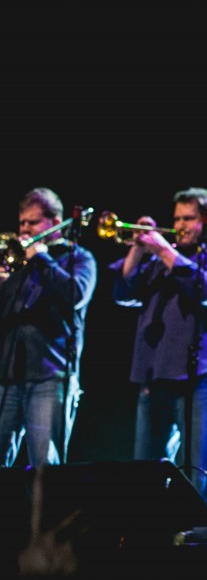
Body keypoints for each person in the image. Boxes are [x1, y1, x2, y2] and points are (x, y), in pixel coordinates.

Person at [110, 186, 207, 519]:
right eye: (176, 217)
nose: (179, 225)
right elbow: (123, 293)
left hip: (202, 377)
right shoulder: (158, 261)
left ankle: (202, 542)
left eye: (188, 218)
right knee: (144, 472)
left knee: (201, 471)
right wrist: (137, 252)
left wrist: (164, 250)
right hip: (154, 374)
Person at [1, 188, 97, 469]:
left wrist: (41, 257)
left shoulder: (78, 258)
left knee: (45, 468)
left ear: (55, 223)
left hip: (49, 376)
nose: (25, 230)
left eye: (32, 223)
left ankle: (45, 516)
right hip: (8, 375)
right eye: (22, 223)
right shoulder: (17, 264)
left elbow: (76, 294)